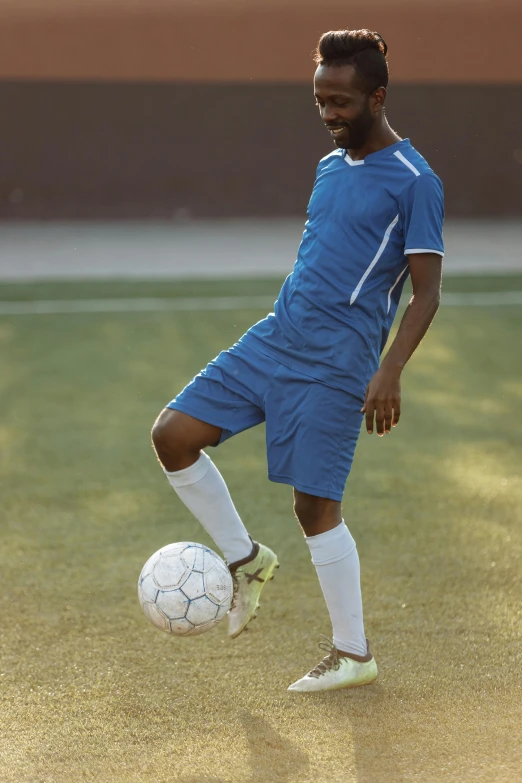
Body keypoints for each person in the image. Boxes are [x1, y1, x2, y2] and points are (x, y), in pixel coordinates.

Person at [151, 28, 444, 692]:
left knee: (314, 508)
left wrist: (389, 368)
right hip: (276, 337)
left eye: (341, 102)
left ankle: (352, 651)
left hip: (338, 361)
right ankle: (244, 559)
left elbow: (426, 291)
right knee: (173, 434)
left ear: (378, 95)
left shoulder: (416, 181)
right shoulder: (328, 166)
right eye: (320, 101)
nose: (330, 115)